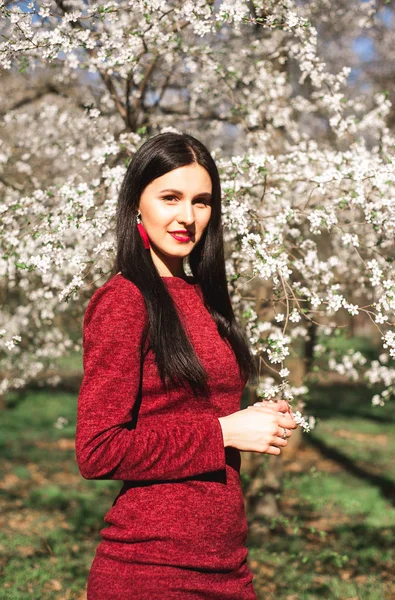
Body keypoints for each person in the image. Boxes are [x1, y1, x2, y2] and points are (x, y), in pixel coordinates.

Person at [75, 132, 298, 599]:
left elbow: (191, 407)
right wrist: (223, 433)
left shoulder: (201, 296)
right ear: (138, 202)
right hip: (150, 571)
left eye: (201, 201)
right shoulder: (124, 300)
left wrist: (253, 417)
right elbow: (98, 450)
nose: (187, 217)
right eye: (170, 197)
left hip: (228, 568)